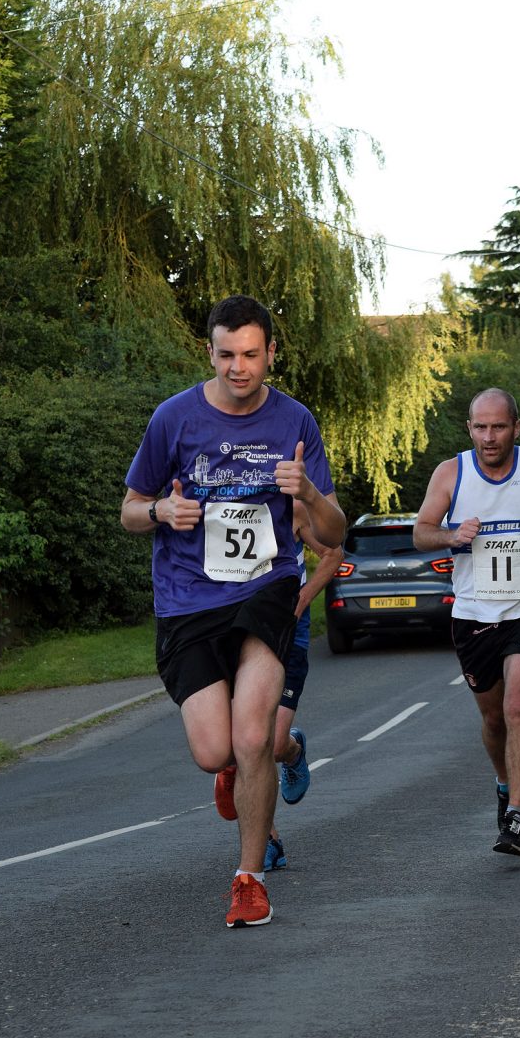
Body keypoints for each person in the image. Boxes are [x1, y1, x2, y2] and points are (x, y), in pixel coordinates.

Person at [121, 295, 345, 927]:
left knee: (254, 737)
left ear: (271, 352)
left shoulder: (295, 421)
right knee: (215, 750)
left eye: (251, 355)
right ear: (210, 352)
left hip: (265, 591)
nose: (238, 368)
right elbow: (130, 509)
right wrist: (162, 512)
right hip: (188, 599)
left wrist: (305, 492)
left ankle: (248, 878)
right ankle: (235, 773)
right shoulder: (173, 419)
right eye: (226, 355)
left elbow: (334, 527)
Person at [413, 388, 520, 857]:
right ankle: (503, 782)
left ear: (517, 427)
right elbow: (420, 531)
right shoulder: (452, 473)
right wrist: (451, 535)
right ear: (469, 428)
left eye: (499, 427)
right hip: (472, 616)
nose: (490, 437)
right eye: (481, 427)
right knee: (492, 718)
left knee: (516, 708)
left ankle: (516, 815)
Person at [215, 501, 343, 872]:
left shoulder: (294, 509)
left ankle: (292, 752)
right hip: (237, 628)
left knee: (270, 743)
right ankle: (268, 842)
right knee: (248, 743)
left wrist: (305, 595)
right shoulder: (218, 505)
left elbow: (333, 554)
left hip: (288, 630)